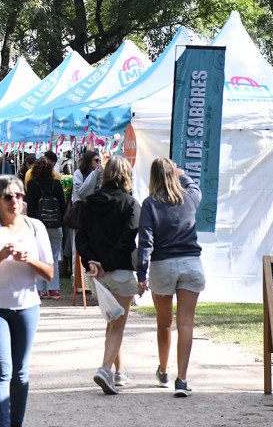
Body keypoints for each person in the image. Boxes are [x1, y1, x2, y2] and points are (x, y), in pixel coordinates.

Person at [0, 174, 53, 427]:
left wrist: (29, 259)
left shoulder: (35, 227)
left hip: (27, 306)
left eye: (19, 195)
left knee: (21, 373)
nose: (15, 201)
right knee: (2, 372)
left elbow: (48, 273)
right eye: (8, 196)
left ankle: (17, 423)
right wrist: (2, 254)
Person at [138, 157, 205, 398]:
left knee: (164, 322)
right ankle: (182, 379)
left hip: (163, 265)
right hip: (191, 262)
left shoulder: (149, 204)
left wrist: (141, 273)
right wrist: (182, 173)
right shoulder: (189, 198)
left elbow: (145, 241)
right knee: (186, 323)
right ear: (172, 174)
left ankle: (164, 369)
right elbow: (195, 187)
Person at [75, 155, 141, 395]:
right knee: (118, 326)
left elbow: (80, 237)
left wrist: (92, 261)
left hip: (97, 274)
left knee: (112, 323)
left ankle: (119, 371)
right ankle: (105, 369)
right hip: (121, 270)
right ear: (126, 176)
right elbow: (129, 237)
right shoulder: (131, 204)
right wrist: (107, 262)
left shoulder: (90, 202)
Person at [25, 156, 66, 299]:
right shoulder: (57, 184)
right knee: (53, 256)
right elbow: (62, 205)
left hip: (37, 225)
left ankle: (37, 289)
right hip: (55, 225)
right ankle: (53, 289)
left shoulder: (32, 184)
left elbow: (30, 209)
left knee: (37, 256)